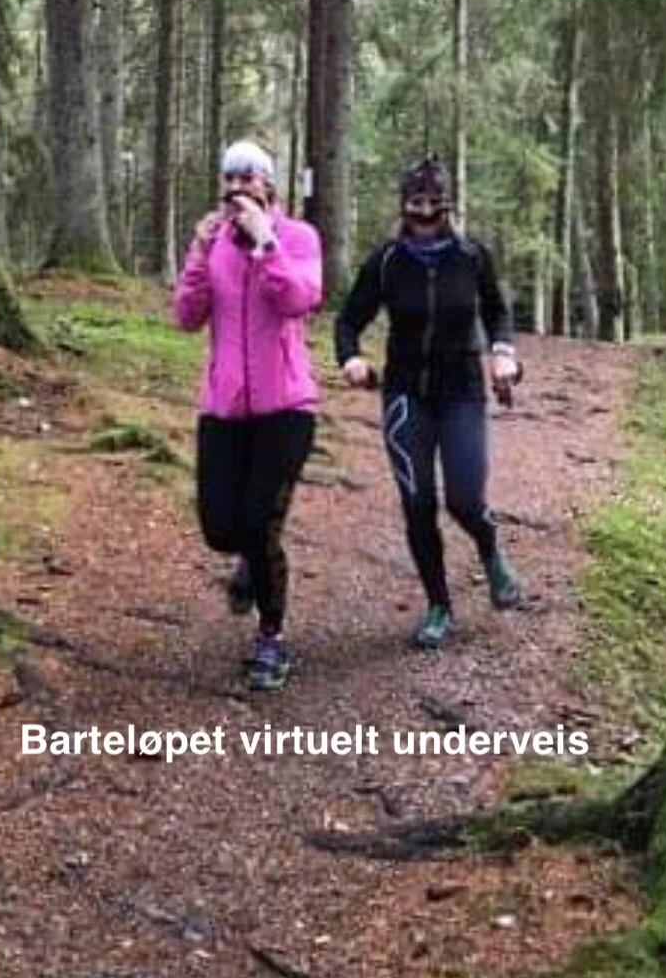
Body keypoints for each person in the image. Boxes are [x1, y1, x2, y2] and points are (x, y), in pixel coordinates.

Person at [334, 155, 523, 648]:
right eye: (415, 203)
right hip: (405, 395)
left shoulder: (472, 256)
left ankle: (490, 550)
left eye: (434, 203)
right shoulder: (387, 261)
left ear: (449, 205)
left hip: (462, 391)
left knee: (464, 498)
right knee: (418, 502)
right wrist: (350, 358)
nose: (424, 214)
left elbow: (498, 312)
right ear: (402, 206)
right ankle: (439, 605)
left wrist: (504, 355)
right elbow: (348, 319)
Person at [174, 140, 322, 691]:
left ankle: (271, 638)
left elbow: (300, 299)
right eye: (230, 179)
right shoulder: (213, 242)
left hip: (286, 409)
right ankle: (248, 559)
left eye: (249, 178)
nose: (238, 189)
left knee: (259, 525)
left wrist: (265, 243)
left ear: (269, 185)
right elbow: (186, 316)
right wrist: (198, 252)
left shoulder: (298, 236)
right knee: (220, 529)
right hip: (224, 408)